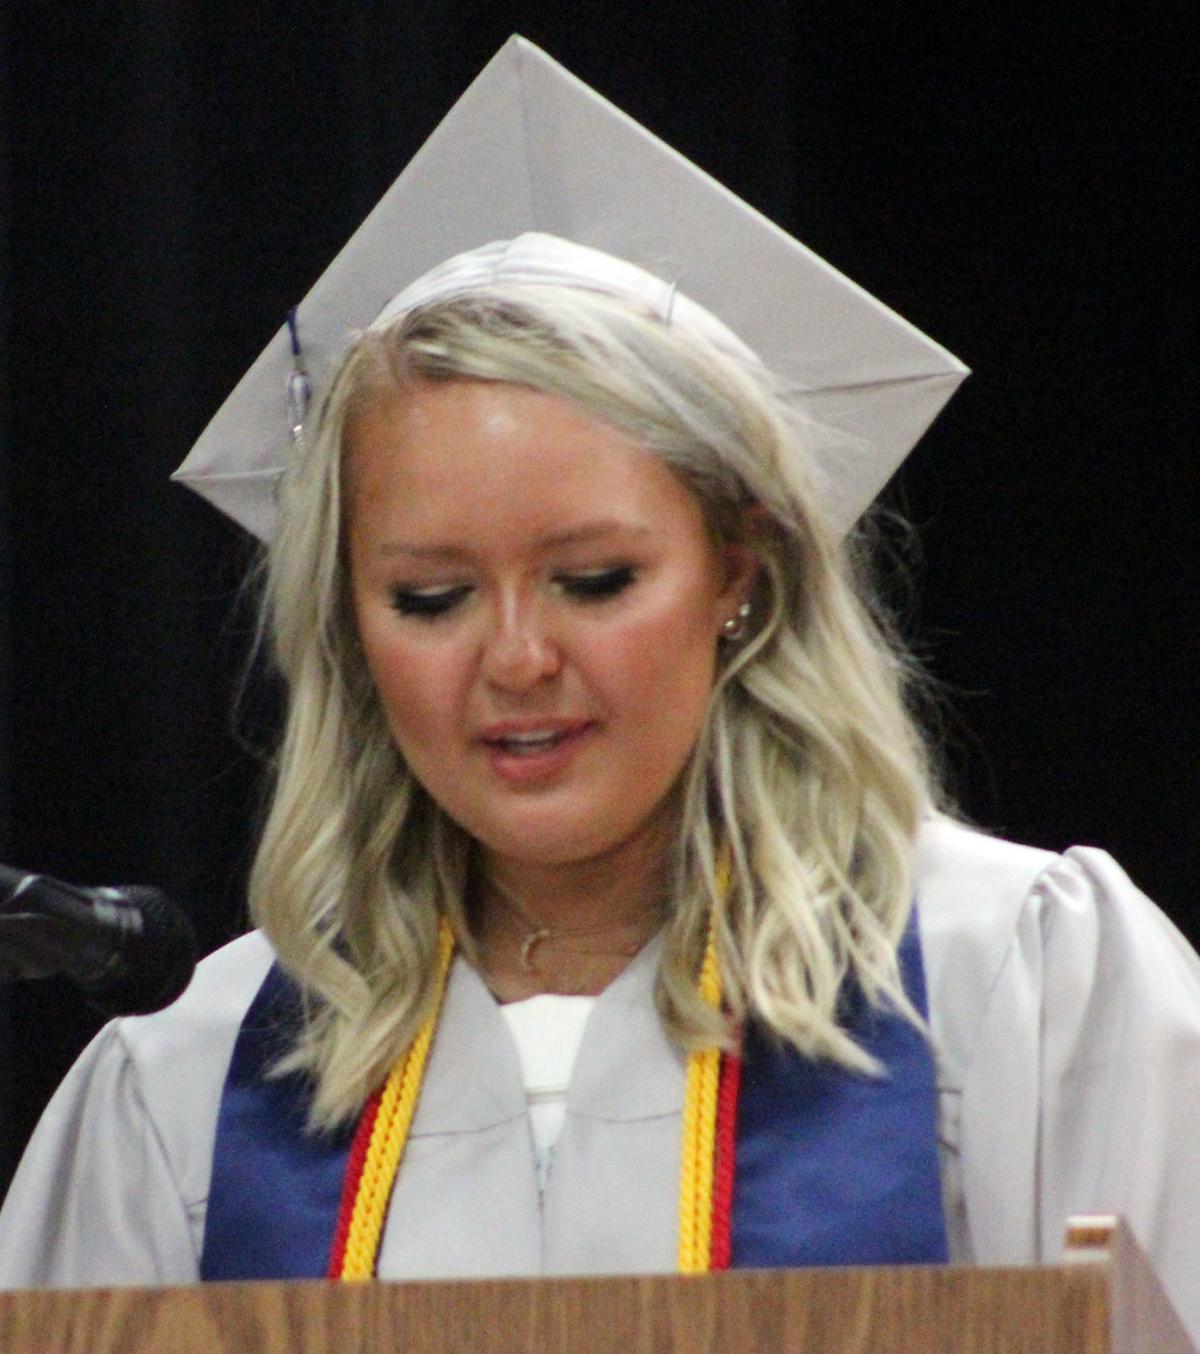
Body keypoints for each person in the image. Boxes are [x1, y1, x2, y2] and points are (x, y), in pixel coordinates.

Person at [1, 39, 1197, 1341]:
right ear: (346, 623)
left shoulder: (1013, 983)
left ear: (738, 571)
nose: (517, 658)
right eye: (431, 596)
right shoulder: (191, 1079)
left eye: (593, 578)